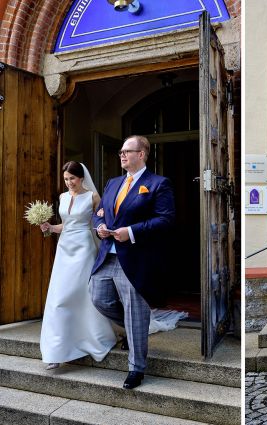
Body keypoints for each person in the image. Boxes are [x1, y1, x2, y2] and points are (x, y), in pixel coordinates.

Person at [90, 135, 175, 390]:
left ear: (142, 154)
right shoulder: (112, 183)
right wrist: (100, 227)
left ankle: (136, 369)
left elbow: (166, 219)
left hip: (136, 258)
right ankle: (134, 326)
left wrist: (132, 231)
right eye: (121, 152)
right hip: (108, 255)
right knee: (98, 298)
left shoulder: (158, 184)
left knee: (135, 311)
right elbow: (99, 213)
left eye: (128, 151)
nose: (122, 155)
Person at [39, 162, 117, 370]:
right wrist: (48, 227)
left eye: (72, 178)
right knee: (58, 296)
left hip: (83, 248)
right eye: (65, 179)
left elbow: (102, 221)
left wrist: (103, 229)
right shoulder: (63, 198)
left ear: (81, 177)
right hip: (64, 249)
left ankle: (93, 337)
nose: (69, 183)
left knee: (80, 293)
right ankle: (55, 351)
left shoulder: (93, 197)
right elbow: (65, 225)